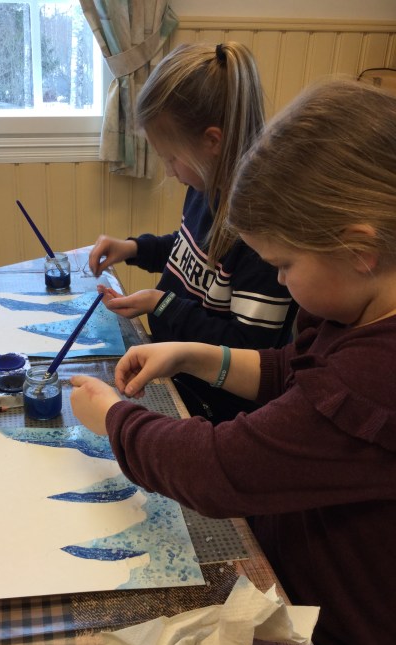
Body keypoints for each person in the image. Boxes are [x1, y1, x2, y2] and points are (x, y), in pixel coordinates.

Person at [70, 78, 396, 645]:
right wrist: (197, 354)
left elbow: (217, 470)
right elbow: (294, 372)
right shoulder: (360, 309)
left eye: (284, 266)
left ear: (359, 249)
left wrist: (114, 419)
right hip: (293, 587)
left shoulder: (375, 378)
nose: (279, 279)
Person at [88, 41, 297, 424]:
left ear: (212, 142)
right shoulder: (204, 186)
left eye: (172, 158)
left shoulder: (260, 232)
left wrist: (161, 303)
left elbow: (249, 351)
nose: (169, 172)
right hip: (174, 372)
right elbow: (189, 250)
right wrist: (134, 248)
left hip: (212, 410)